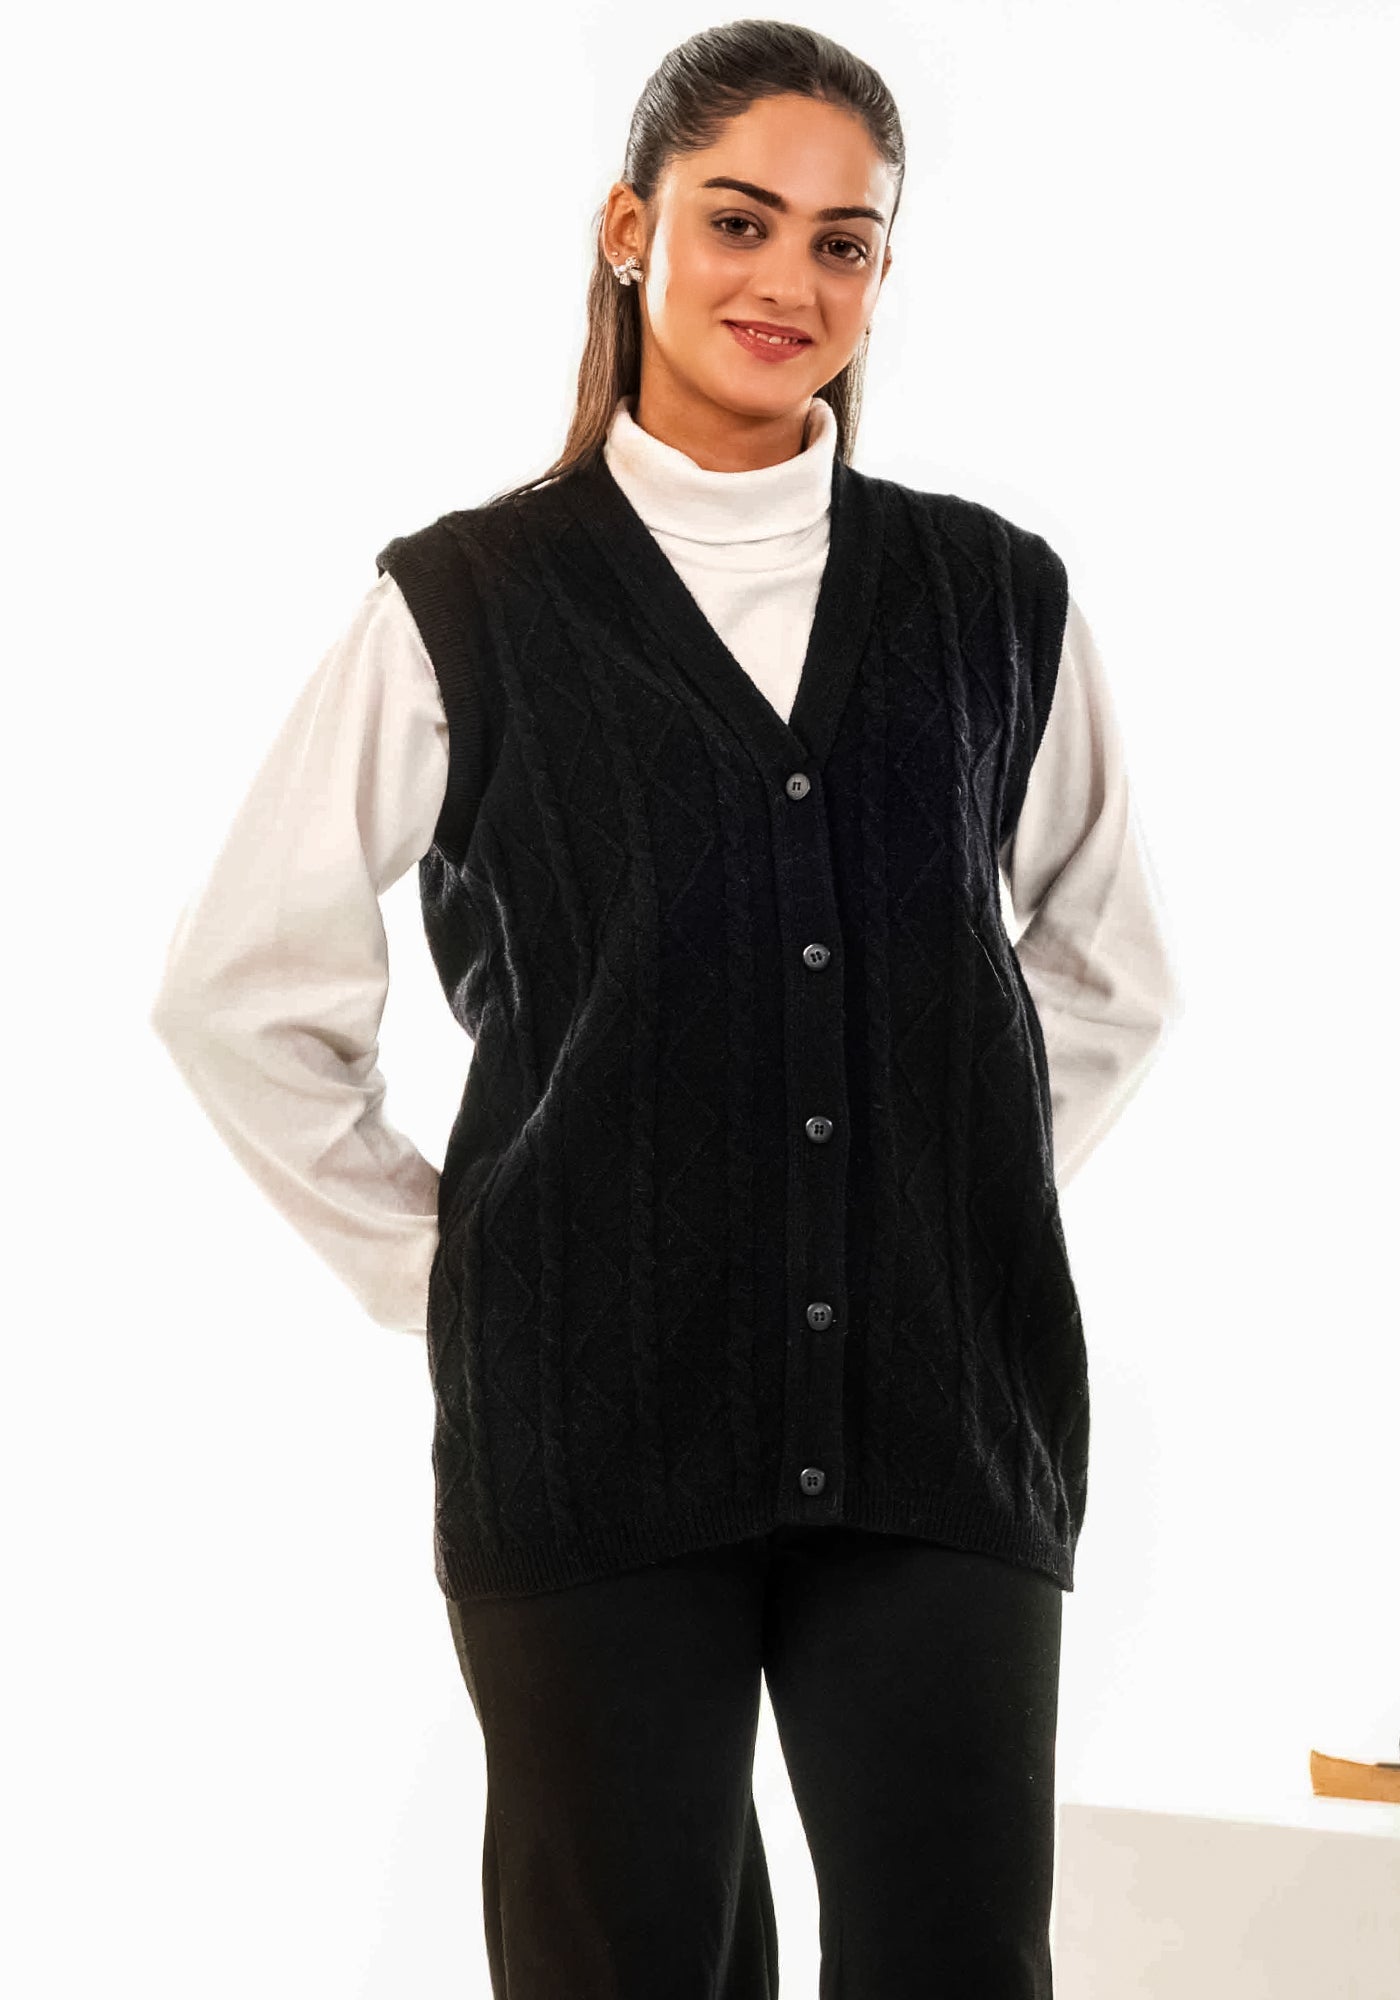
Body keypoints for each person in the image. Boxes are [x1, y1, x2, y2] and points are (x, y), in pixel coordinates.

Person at [150, 19, 1184, 1997]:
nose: (789, 280)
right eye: (740, 221)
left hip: (940, 1430)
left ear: (882, 273)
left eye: (843, 242)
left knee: (958, 1957)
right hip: (590, 1436)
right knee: (624, 1963)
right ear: (632, 230)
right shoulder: (465, 605)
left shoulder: (994, 598)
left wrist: (928, 1203)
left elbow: (1109, 967)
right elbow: (239, 994)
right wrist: (466, 1266)